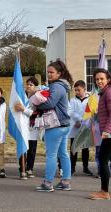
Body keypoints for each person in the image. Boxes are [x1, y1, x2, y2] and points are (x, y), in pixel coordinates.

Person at [35, 60, 73, 192]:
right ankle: (65, 182)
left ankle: (48, 183)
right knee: (63, 153)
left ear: (59, 73)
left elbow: (50, 103)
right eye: (48, 72)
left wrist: (35, 104)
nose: (49, 75)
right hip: (64, 125)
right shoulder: (62, 86)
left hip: (56, 125)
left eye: (52, 72)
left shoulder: (56, 86)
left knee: (51, 155)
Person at [89, 68, 111, 200]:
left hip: (109, 133)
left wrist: (107, 131)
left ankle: (104, 192)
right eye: (97, 79)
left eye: (102, 78)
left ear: (108, 79)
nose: (99, 81)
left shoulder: (108, 93)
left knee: (102, 160)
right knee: (103, 160)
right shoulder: (104, 93)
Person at [15, 77, 42, 179]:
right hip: (23, 126)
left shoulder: (38, 98)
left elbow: (35, 112)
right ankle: (22, 169)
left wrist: (23, 109)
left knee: (31, 149)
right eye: (27, 84)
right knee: (23, 148)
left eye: (31, 85)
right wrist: (21, 109)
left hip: (32, 126)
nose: (28, 86)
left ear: (35, 87)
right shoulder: (21, 97)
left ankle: (30, 168)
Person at [68, 80, 93, 176]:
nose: (77, 92)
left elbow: (91, 112)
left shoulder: (90, 100)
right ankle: (72, 167)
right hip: (76, 126)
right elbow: (70, 111)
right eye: (75, 90)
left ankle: (85, 167)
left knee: (85, 148)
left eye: (79, 90)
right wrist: (78, 120)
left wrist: (85, 121)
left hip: (86, 127)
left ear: (84, 89)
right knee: (73, 147)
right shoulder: (73, 100)